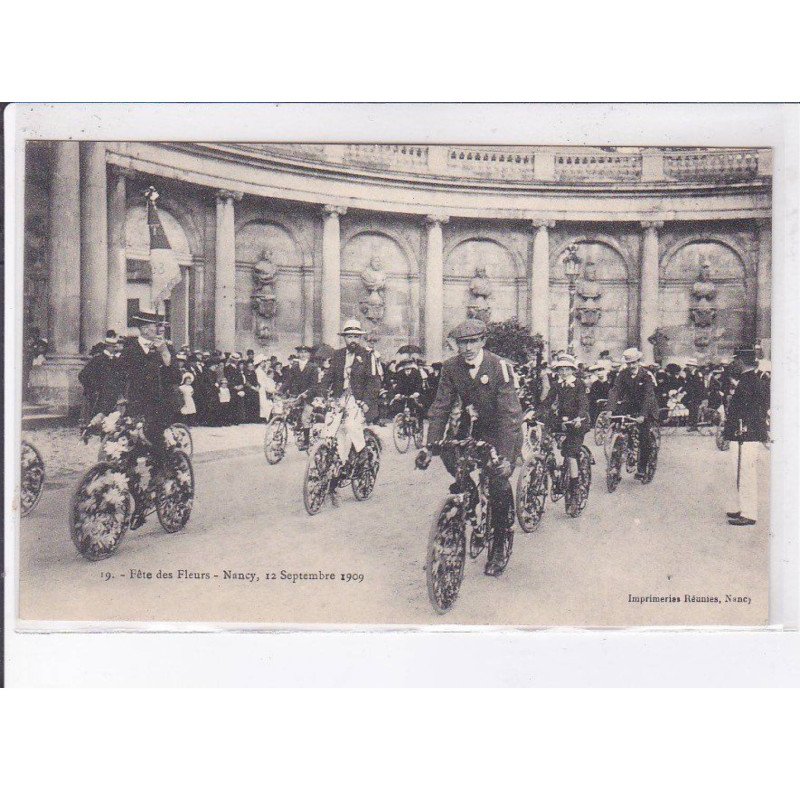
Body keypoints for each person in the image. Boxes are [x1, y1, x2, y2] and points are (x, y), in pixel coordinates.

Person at [415, 318, 522, 577]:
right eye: (462, 343)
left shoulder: (499, 367)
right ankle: (469, 495)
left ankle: (499, 543)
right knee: (452, 458)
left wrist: (506, 458)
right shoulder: (451, 368)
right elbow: (441, 407)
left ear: (483, 341)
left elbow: (510, 415)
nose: (467, 348)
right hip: (472, 427)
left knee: (497, 484)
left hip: (501, 431)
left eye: (473, 341)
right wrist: (430, 447)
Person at [320, 318, 383, 503]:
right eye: (349, 337)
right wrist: (321, 394)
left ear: (360, 338)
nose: (353, 340)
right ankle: (334, 465)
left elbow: (374, 381)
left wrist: (367, 401)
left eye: (356, 336)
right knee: (329, 430)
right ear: (344, 338)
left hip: (359, 400)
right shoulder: (338, 355)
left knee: (350, 425)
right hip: (341, 398)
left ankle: (362, 451)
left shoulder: (368, 355)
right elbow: (328, 377)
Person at [723, 347, 769, 526]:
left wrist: (735, 431)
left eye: (736, 360)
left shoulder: (750, 382)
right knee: (740, 472)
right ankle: (742, 508)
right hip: (743, 433)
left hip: (746, 434)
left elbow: (752, 411)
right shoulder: (749, 380)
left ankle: (749, 513)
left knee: (746, 474)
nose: (734, 363)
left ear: (741, 361)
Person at [537, 352, 590, 494]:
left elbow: (583, 402)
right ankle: (552, 474)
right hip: (562, 421)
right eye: (561, 369)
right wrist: (535, 415)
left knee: (570, 453)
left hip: (578, 421)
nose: (564, 372)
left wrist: (579, 417)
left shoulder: (579, 384)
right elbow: (547, 401)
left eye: (567, 369)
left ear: (572, 370)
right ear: (558, 371)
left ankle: (574, 486)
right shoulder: (556, 384)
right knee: (545, 445)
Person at [606, 346, 659, 481]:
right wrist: (610, 409)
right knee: (618, 422)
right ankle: (617, 460)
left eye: (633, 362)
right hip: (629, 405)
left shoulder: (646, 375)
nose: (631, 365)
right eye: (628, 363)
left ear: (638, 361)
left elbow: (648, 396)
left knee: (644, 438)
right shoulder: (623, 374)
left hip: (646, 408)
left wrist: (642, 415)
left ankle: (642, 468)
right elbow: (615, 390)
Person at [78, 330, 123, 418]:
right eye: (113, 347)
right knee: (96, 418)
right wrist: (94, 388)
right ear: (108, 347)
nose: (115, 349)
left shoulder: (115, 360)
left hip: (112, 395)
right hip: (99, 396)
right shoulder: (97, 359)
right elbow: (82, 375)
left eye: (115, 347)